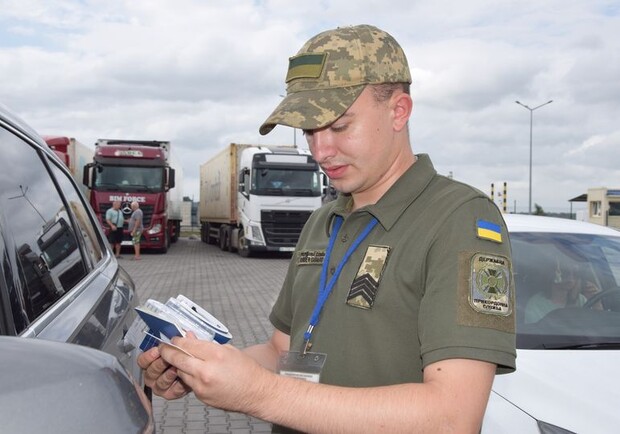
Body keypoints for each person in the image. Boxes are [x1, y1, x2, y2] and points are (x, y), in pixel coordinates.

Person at [138, 24, 516, 433]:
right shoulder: (323, 220)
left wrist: (259, 393)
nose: (321, 151)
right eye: (308, 132)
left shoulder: (459, 219)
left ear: (398, 111)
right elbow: (281, 351)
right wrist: (201, 368)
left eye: (338, 126)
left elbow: (453, 418)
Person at [525, 262, 601, 323]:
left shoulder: (581, 299)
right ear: (552, 275)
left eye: (575, 274)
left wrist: (596, 303)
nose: (571, 278)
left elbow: (598, 326)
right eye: (565, 273)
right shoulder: (535, 304)